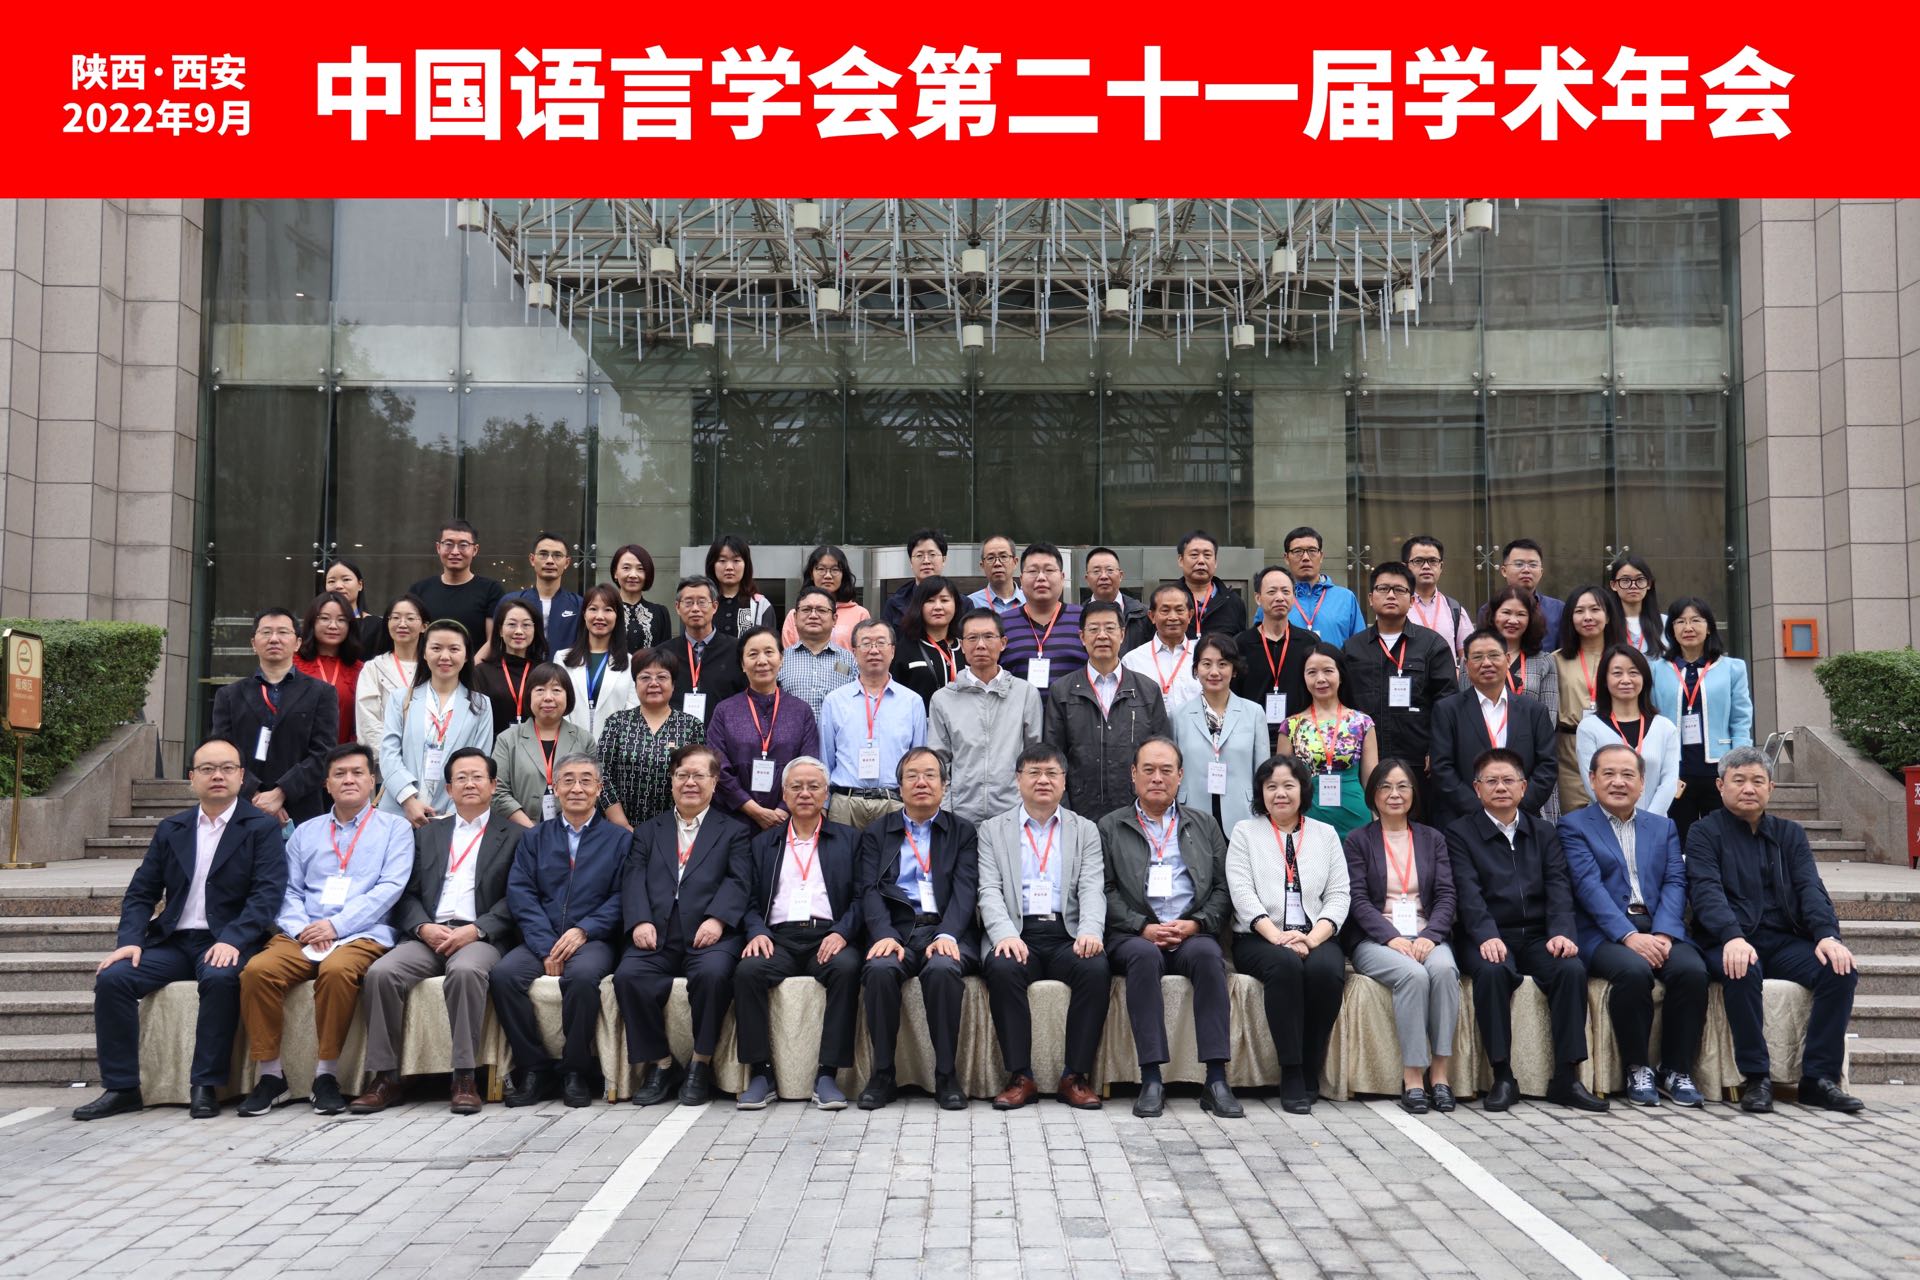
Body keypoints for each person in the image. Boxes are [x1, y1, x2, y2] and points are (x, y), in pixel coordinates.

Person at [73, 738, 287, 1122]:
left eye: (226, 768)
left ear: (241, 776)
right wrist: (130, 941)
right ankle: (122, 1088)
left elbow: (266, 895)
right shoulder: (173, 828)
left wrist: (233, 939)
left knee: (220, 978)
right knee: (114, 978)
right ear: (192, 778)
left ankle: (205, 1085)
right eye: (207, 769)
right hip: (173, 941)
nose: (217, 775)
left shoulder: (261, 827)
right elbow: (141, 892)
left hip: (227, 939)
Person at [235, 744, 412, 1117]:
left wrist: (336, 925)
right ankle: (271, 1075)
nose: (349, 780)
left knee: (337, 971)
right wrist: (304, 929)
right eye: (339, 774)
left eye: (357, 773)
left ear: (372, 781)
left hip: (362, 933)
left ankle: (326, 1075)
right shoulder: (306, 832)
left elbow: (389, 889)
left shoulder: (396, 829)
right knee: (258, 971)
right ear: (326, 784)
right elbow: (288, 890)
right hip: (304, 932)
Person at [1686, 747, 1863, 1114]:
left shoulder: (1790, 834)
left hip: (1783, 941)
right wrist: (1731, 936)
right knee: (1741, 968)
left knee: (1839, 969)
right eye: (1738, 780)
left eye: (1757, 781)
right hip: (1727, 939)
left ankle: (1819, 1079)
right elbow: (1706, 891)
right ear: (1720, 786)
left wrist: (1826, 935)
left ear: (1771, 787)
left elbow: (1810, 887)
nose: (1748, 788)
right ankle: (1757, 1078)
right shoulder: (1704, 832)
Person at [350, 747, 520, 1115]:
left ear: (493, 785)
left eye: (477, 777)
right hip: (429, 933)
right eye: (461, 778)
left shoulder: (516, 835)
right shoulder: (427, 834)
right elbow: (406, 893)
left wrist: (477, 929)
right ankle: (386, 1077)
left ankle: (464, 1077)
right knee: (381, 973)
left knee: (465, 971)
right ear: (448, 788)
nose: (469, 784)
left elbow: (517, 898)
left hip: (479, 936)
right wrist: (422, 927)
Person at [1445, 747, 1606, 1113]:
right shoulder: (1460, 833)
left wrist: (1561, 931)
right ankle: (1503, 1076)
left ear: (1523, 787)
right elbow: (1467, 893)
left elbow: (1559, 886)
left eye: (1508, 780)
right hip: (1488, 934)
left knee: (1570, 969)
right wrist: (1486, 934)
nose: (1501, 788)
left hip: (1537, 934)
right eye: (1491, 781)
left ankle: (1567, 1077)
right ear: (1477, 789)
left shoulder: (1544, 831)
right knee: (1491, 972)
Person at [1099, 738, 1241, 1119]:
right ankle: (1151, 1078)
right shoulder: (1110, 826)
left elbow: (1222, 888)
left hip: (1190, 931)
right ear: (1133, 775)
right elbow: (1104, 889)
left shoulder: (1204, 824)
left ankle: (1216, 1079)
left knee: (1209, 957)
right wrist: (1141, 927)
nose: (1157, 778)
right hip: (1135, 935)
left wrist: (1197, 923)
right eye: (1148, 770)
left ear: (1180, 776)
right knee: (1143, 959)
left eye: (1166, 771)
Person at [1561, 744, 1708, 1109]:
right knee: (1633, 971)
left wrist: (1663, 933)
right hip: (1603, 932)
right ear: (1592, 779)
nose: (1618, 782)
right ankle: (1637, 1067)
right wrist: (1628, 936)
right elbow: (1588, 887)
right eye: (1608, 774)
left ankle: (1675, 1069)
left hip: (1658, 926)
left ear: (1642, 783)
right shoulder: (1573, 826)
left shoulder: (1663, 826)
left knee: (1691, 970)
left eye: (1628, 775)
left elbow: (1675, 881)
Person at [616, 744, 754, 1108]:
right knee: (628, 976)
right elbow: (633, 879)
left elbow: (739, 880)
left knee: (713, 976)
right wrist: (640, 920)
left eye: (699, 775)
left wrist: (718, 919)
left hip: (710, 933)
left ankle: (700, 1064)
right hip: (657, 931)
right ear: (672, 781)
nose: (690, 782)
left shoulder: (734, 830)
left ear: (714, 782)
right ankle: (661, 1064)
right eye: (682, 775)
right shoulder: (648, 831)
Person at [491, 753, 628, 1108]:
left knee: (581, 978)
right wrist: (545, 945)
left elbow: (623, 896)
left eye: (586, 780)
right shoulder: (535, 837)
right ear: (555, 788)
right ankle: (535, 1068)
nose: (577, 788)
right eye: (568, 780)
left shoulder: (619, 840)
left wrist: (584, 930)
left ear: (599, 789)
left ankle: (575, 1070)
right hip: (542, 936)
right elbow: (520, 892)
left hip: (593, 939)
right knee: (504, 976)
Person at [977, 745, 1109, 1111]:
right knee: (1002, 967)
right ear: (1017, 780)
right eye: (1034, 773)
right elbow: (988, 889)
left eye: (1052, 773)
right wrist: (1004, 934)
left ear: (1064, 782)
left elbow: (1092, 887)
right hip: (1018, 932)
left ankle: (1074, 1077)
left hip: (1067, 932)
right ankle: (1020, 1077)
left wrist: (1090, 930)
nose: (1043, 780)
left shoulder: (1085, 829)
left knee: (1096, 967)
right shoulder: (992, 830)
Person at [733, 757, 865, 1111]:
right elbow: (746, 899)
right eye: (796, 787)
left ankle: (827, 1074)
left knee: (847, 968)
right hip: (778, 937)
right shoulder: (763, 843)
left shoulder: (850, 839)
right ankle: (761, 1074)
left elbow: (862, 896)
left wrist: (842, 933)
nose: (805, 793)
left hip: (828, 935)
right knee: (747, 971)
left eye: (813, 787)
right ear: (784, 793)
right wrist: (756, 931)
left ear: (826, 793)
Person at [1226, 754, 1350, 1113]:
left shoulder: (1326, 835)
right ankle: (1292, 1070)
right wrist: (1276, 935)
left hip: (1315, 934)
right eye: (1271, 787)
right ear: (1261, 793)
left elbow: (1339, 894)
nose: (1280, 793)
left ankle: (1310, 1063)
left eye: (1288, 785)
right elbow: (1242, 892)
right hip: (1258, 937)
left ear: (1302, 790)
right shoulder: (1245, 832)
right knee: (1285, 966)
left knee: (1326, 971)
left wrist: (1313, 938)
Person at [855, 747, 978, 1111]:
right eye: (912, 776)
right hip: (896, 932)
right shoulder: (877, 833)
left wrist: (948, 934)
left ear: (944, 785)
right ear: (899, 787)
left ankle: (946, 1075)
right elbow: (868, 889)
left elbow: (965, 890)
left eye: (929, 775)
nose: (921, 782)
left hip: (945, 929)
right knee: (879, 970)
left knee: (942, 969)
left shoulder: (962, 831)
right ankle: (883, 1074)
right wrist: (884, 935)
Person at [1341, 760, 1459, 1115]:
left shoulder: (1432, 838)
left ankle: (1440, 1074)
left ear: (1414, 793)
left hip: (1426, 934)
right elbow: (1357, 900)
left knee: (1444, 971)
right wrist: (1391, 937)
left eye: (1403, 786)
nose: (1395, 794)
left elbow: (1447, 895)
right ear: (1373, 794)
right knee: (1413, 975)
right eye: (1385, 787)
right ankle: (1413, 1076)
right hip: (1376, 939)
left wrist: (1431, 935)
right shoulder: (1358, 840)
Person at [1044, 601, 1171, 819]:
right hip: (1079, 810)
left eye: (1110, 628)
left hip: (1136, 809)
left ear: (1122, 634)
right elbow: (1053, 757)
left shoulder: (1147, 690)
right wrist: (1063, 810)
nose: (1102, 636)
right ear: (1082, 637)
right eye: (1094, 629)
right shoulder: (1062, 690)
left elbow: (1162, 752)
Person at [211, 608, 337, 826]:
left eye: (283, 632)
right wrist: (256, 795)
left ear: (297, 643)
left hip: (302, 808)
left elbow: (323, 753)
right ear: (253, 643)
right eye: (266, 632)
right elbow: (222, 753)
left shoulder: (321, 693)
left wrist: (281, 793)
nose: (274, 639)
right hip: (244, 805)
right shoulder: (229, 695)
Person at [1429, 629, 1559, 829]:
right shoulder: (1447, 710)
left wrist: (1515, 809)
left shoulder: (1534, 711)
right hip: (1465, 823)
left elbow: (1547, 766)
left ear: (1507, 659)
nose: (1486, 663)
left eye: (1494, 655)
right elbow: (1442, 769)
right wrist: (1482, 813)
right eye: (1477, 657)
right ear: (1466, 665)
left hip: (1522, 821)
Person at [1651, 596, 1755, 843]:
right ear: (1671, 630)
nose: (1688, 627)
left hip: (1719, 769)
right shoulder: (1656, 669)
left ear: (1709, 627)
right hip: (1675, 770)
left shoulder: (1732, 668)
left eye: (1696, 620)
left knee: (1723, 838)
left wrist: (1739, 766)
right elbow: (1651, 717)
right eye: (1680, 622)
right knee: (1678, 840)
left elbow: (1740, 719)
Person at [928, 608, 1044, 825]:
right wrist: (946, 813)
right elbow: (939, 762)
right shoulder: (943, 699)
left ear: (1003, 643)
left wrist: (1028, 808)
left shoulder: (1025, 693)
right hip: (960, 815)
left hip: (1014, 813)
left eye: (989, 637)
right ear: (962, 645)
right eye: (972, 638)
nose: (980, 645)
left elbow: (1035, 756)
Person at [1341, 561, 1458, 772]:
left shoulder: (1432, 645)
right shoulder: (1353, 648)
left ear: (1412, 600)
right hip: (1363, 759)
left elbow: (1446, 702)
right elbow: (1343, 702)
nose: (1391, 595)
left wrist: (1437, 748)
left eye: (1399, 590)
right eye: (1383, 588)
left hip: (1417, 760)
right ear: (1370, 598)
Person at [378, 620, 495, 828]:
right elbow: (389, 754)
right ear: (424, 653)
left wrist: (452, 814)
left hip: (452, 815)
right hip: (399, 811)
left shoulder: (480, 705)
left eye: (454, 649)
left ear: (466, 655)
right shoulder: (401, 699)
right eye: (436, 648)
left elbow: (478, 763)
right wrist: (408, 800)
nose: (445, 656)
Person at [706, 626, 821, 831]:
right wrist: (751, 809)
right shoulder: (725, 710)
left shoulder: (801, 711)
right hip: (734, 820)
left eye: (769, 652)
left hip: (787, 820)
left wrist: (783, 809)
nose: (762, 661)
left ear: (781, 658)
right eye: (753, 654)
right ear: (743, 664)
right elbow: (718, 766)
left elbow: (808, 763)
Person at [819, 620, 927, 830]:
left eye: (881, 643)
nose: (874, 650)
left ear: (892, 651)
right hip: (845, 803)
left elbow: (918, 759)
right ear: (854, 652)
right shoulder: (834, 701)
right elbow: (825, 757)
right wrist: (824, 804)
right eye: (866, 643)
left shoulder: (912, 701)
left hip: (895, 803)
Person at [598, 648, 706, 829]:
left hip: (676, 828)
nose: (653, 683)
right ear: (635, 684)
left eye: (662, 677)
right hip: (620, 828)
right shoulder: (617, 722)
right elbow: (602, 775)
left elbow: (699, 777)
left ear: (673, 685)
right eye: (645, 677)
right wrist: (623, 826)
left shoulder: (691, 726)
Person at [1170, 634, 1266, 835]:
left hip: (1242, 813)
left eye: (1223, 664)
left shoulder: (1254, 712)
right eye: (1206, 664)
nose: (1214, 672)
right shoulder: (1178, 716)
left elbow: (1262, 771)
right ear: (1196, 669)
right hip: (1192, 812)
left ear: (1234, 669)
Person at [1281, 644, 1378, 838]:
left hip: (1356, 817)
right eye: (1312, 672)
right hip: (1308, 817)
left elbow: (1372, 781)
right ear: (1303, 678)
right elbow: (1283, 780)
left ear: (1341, 676)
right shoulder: (1291, 725)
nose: (1320, 679)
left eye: (1328, 671)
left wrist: (1378, 823)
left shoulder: (1362, 723)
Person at [1482, 585, 1561, 818]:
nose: (1513, 620)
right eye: (1506, 612)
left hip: (1532, 764)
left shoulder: (1544, 661)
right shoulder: (1476, 659)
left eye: (1521, 614)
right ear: (1493, 615)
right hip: (1485, 758)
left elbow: (1549, 718)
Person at [1576, 645, 1681, 814]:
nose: (1626, 680)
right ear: (1605, 680)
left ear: (1644, 678)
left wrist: (1647, 821)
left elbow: (1669, 782)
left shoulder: (1665, 727)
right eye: (1617, 673)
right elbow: (1592, 783)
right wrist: (1623, 818)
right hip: (1605, 822)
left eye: (1633, 673)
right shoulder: (1589, 727)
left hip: (1654, 822)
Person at [1551, 584, 1627, 815]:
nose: (1588, 617)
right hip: (1568, 752)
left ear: (1608, 616)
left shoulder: (1625, 660)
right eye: (1579, 611)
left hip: (1615, 745)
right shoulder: (1555, 661)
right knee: (1574, 821)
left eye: (1595, 609)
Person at [491, 663, 595, 829]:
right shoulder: (507, 739)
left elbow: (592, 787)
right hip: (519, 832)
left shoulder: (584, 740)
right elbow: (498, 791)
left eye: (556, 690)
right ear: (529, 696)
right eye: (540, 690)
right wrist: (532, 831)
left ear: (568, 696)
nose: (548, 697)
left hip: (572, 830)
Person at [1233, 566, 1317, 753]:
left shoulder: (1309, 643)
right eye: (1272, 592)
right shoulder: (1240, 644)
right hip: (1250, 739)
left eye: (1286, 591)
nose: (1280, 597)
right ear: (1258, 598)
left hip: (1300, 740)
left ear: (1293, 597)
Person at [554, 585, 637, 741]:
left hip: (614, 747)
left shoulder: (630, 662)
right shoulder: (562, 659)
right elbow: (558, 706)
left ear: (617, 616)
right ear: (584, 614)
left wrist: (611, 745)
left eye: (608, 610)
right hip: (571, 746)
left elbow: (632, 710)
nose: (600, 616)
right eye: (593, 609)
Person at [999, 542, 1086, 689]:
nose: (1041, 577)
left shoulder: (1084, 620)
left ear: (1062, 577)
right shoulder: (1001, 623)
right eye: (1033, 571)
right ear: (1021, 579)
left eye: (1049, 570)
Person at [409, 520, 504, 651]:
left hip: (475, 663)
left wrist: (471, 664)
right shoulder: (419, 590)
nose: (455, 551)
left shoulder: (491, 590)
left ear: (475, 550)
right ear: (438, 548)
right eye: (448, 544)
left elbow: (492, 641)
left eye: (463, 545)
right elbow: (412, 638)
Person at [671, 575, 746, 720]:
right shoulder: (665, 653)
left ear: (715, 606)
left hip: (724, 731)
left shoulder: (737, 650)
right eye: (688, 602)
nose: (695, 609)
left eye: (702, 602)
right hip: (678, 731)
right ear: (678, 607)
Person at [355, 595, 425, 751]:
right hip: (386, 759)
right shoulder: (374, 668)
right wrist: (391, 758)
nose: (402, 624)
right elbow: (368, 722)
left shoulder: (434, 667)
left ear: (424, 626)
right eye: (395, 618)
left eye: (410, 618)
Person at [471, 598, 550, 736]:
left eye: (526, 625)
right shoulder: (482, 672)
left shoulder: (545, 672)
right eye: (512, 624)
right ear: (500, 630)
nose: (519, 631)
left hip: (537, 746)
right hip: (493, 746)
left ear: (535, 630)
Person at [294, 592, 363, 748]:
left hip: (344, 755)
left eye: (341, 620)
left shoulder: (360, 670)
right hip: (298, 756)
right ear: (312, 622)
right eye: (325, 618)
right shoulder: (293, 664)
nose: (333, 626)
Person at [779, 586, 858, 718]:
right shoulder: (780, 660)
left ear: (834, 619)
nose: (813, 615)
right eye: (806, 610)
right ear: (795, 617)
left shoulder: (849, 660)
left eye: (821, 610)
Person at [1122, 584, 1202, 711]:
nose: (1173, 617)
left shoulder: (1204, 656)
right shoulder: (1132, 661)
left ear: (1190, 616)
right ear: (1152, 616)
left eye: (1179, 610)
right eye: (1165, 610)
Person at [501, 531, 582, 655]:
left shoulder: (579, 604)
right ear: (532, 559)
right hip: (520, 666)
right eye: (543, 554)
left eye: (557, 555)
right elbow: (495, 644)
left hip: (564, 667)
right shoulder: (511, 602)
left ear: (567, 563)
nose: (550, 561)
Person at [1283, 526, 1364, 647]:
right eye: (1298, 551)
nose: (1305, 558)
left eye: (1312, 550)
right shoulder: (1275, 599)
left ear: (1321, 556)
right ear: (1286, 558)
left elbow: (1360, 647)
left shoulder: (1345, 598)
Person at [779, 544, 869, 650]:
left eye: (835, 570)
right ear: (811, 574)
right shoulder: (796, 614)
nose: (828, 576)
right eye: (821, 569)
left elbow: (864, 653)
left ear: (843, 574)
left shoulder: (860, 614)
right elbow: (788, 654)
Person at [1401, 535, 1472, 668]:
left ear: (1441, 566)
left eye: (1433, 561)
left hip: (1447, 680)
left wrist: (1458, 672)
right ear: (1405, 567)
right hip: (1408, 679)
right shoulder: (1396, 606)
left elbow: (1469, 656)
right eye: (1418, 561)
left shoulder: (1455, 609)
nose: (1426, 566)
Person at [892, 576, 963, 707]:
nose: (938, 607)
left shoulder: (966, 648)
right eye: (930, 601)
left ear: (956, 605)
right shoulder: (904, 649)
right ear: (919, 606)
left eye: (944, 600)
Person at [1175, 530, 1246, 638]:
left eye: (1207, 555)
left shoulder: (1233, 602)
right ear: (1181, 560)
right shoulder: (1165, 599)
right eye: (1194, 555)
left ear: (1216, 562)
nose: (1201, 561)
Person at [706, 533, 779, 638]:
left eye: (736, 561)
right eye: (722, 561)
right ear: (712, 565)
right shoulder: (703, 603)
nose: (729, 567)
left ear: (746, 565)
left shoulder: (760, 605)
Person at [1082, 545, 1150, 651]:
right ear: (1087, 579)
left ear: (1121, 575)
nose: (1103, 576)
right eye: (1096, 571)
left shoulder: (1143, 615)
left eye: (1109, 570)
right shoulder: (1077, 615)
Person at [609, 543, 672, 654]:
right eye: (626, 568)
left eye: (640, 569)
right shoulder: (605, 611)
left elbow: (665, 655)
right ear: (615, 573)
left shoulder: (660, 613)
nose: (633, 575)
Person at [1498, 538, 1563, 643]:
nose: (1526, 570)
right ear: (1504, 571)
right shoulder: (1489, 610)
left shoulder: (1558, 609)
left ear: (1541, 572)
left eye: (1533, 565)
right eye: (1519, 564)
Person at [882, 528, 949, 628]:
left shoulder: (962, 604)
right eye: (919, 555)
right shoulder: (894, 604)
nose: (926, 561)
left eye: (932, 554)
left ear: (944, 560)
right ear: (910, 562)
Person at [325, 558, 387, 658]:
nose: (338, 586)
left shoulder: (377, 626)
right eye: (331, 581)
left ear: (360, 585)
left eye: (346, 579)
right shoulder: (317, 623)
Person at [1606, 554, 1665, 659]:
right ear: (1613, 585)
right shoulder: (1605, 623)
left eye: (1640, 580)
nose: (1633, 586)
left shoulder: (1666, 623)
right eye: (1625, 581)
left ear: (1649, 584)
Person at [967, 534, 1026, 612]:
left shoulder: (1030, 601)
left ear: (1015, 562)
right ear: (982, 566)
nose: (997, 563)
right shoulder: (970, 604)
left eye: (1003, 556)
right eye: (990, 558)